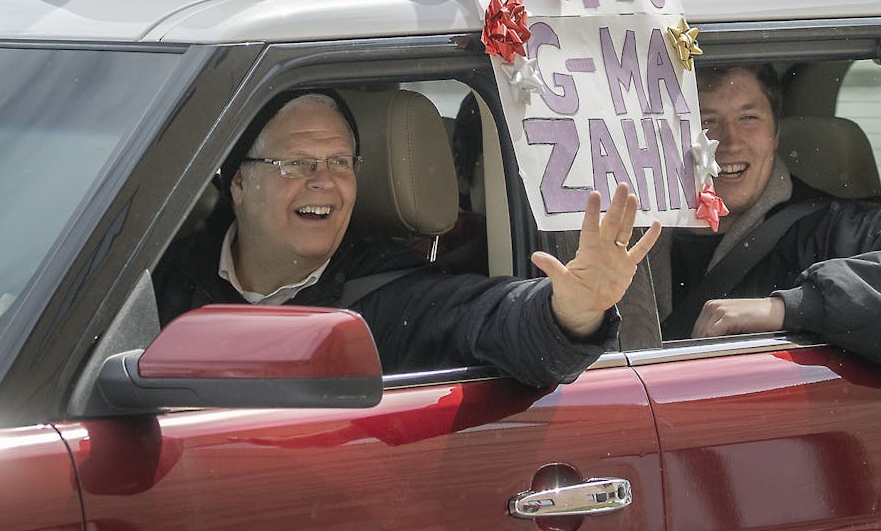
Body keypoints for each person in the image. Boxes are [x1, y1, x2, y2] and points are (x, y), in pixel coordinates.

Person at [152, 90, 662, 387]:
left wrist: (569, 313)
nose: (323, 181)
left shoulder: (393, 295)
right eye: (297, 164)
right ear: (238, 181)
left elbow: (489, 318)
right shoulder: (155, 284)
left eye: (339, 163)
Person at [649, 63, 881, 375]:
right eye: (707, 122)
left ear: (775, 135)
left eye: (748, 118)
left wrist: (785, 309)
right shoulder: (632, 235)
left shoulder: (830, 227)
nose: (729, 143)